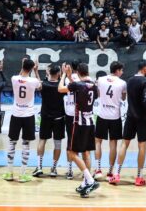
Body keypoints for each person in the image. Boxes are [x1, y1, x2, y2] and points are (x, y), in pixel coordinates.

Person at [109, 60, 146, 186]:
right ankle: (139, 177)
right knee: (141, 146)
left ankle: (116, 174)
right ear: (144, 68)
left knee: (124, 144)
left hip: (130, 117)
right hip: (143, 119)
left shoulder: (129, 81)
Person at [58, 63, 100, 198]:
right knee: (86, 152)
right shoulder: (94, 85)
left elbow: (60, 89)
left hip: (79, 122)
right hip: (90, 122)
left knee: (71, 152)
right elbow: (81, 89)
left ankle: (90, 180)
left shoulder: (78, 85)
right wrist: (71, 78)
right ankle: (85, 182)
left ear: (78, 72)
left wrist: (64, 74)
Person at [3, 59, 41, 183]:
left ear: (22, 66)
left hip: (16, 114)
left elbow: (20, 76)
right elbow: (40, 86)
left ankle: (9, 173)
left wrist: (23, 66)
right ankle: (23, 174)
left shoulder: (15, 79)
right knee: (26, 144)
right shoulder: (34, 81)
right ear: (31, 68)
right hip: (28, 115)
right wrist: (36, 71)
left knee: (12, 143)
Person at [93, 61, 127, 181]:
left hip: (102, 115)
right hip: (115, 117)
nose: (122, 73)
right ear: (117, 70)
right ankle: (110, 172)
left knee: (98, 142)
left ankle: (98, 170)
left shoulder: (100, 79)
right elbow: (123, 98)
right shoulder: (122, 83)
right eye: (121, 70)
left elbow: (98, 94)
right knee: (113, 145)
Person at [33, 65, 66, 178]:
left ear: (48, 73)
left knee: (42, 140)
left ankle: (39, 167)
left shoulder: (44, 85)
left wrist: (36, 71)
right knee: (57, 143)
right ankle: (53, 169)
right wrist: (64, 74)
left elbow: (38, 83)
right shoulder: (61, 87)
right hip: (59, 118)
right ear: (58, 73)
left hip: (46, 117)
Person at [62, 60, 92, 179]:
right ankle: (87, 174)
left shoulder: (67, 79)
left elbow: (61, 90)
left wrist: (65, 74)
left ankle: (70, 170)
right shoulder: (84, 80)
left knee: (70, 143)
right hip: (82, 113)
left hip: (71, 113)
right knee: (84, 147)